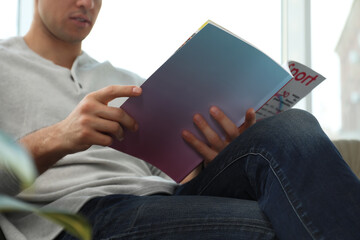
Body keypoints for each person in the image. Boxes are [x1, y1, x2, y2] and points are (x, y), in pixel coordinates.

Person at [0, 0, 359, 239]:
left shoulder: (128, 80)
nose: (87, 3)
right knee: (284, 220)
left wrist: (212, 154)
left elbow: (173, 177)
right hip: (81, 216)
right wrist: (60, 136)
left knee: (292, 126)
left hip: (164, 199)